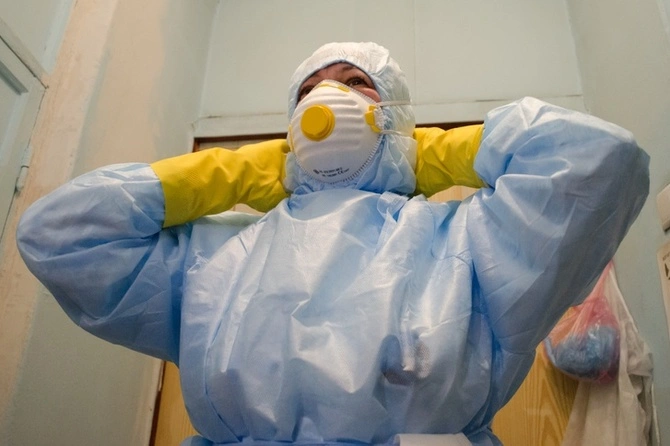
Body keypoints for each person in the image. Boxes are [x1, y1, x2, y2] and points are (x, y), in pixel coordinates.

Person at [16, 42, 649, 445]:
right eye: (309, 91)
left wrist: (428, 155)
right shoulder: (217, 255)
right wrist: (239, 171)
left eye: (354, 82)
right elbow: (60, 236)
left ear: (395, 114)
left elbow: (598, 159)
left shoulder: (468, 242)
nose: (327, 98)